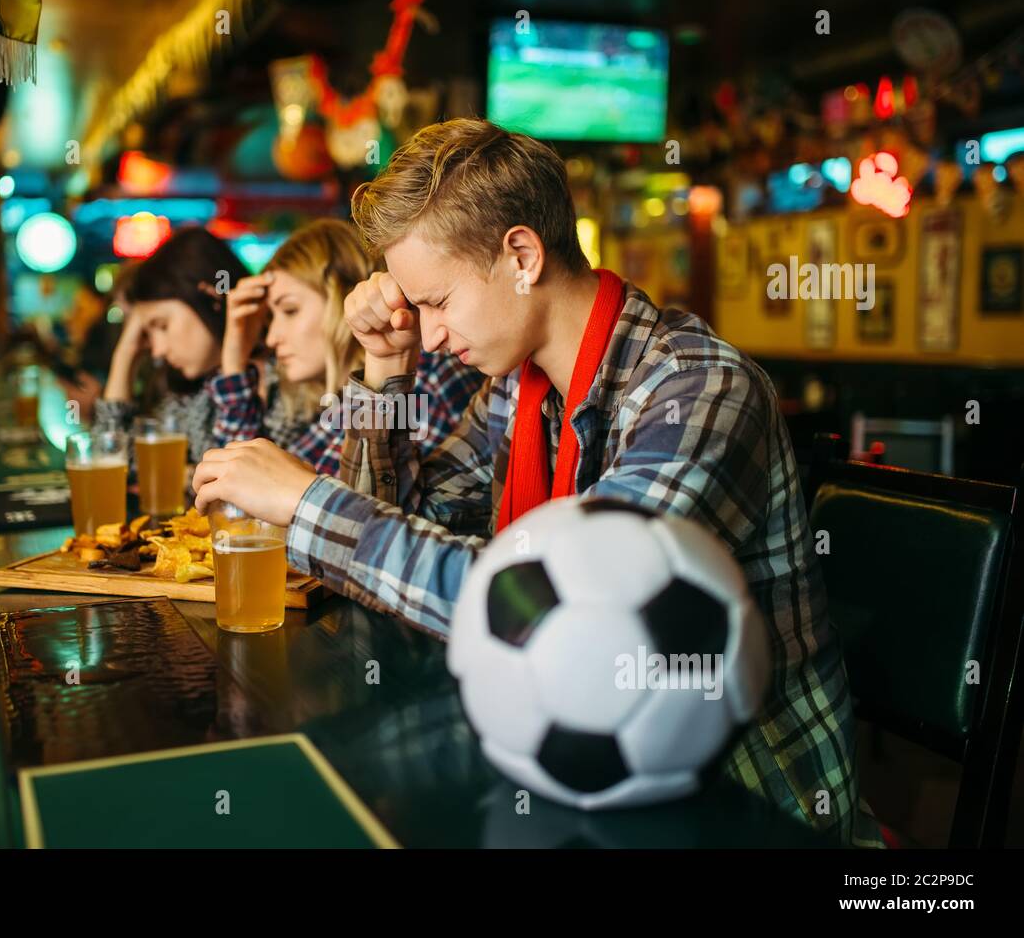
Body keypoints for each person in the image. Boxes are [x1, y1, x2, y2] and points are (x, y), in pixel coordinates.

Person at [190, 118, 884, 848]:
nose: (429, 336)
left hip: (744, 806)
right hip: (584, 772)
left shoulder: (697, 389)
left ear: (521, 254)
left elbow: (573, 632)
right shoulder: (517, 393)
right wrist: (385, 375)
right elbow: (394, 538)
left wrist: (306, 501)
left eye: (438, 302)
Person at [209, 218, 483, 473]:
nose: (271, 338)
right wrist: (234, 361)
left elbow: (329, 506)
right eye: (270, 319)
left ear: (344, 299)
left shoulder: (425, 375)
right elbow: (246, 489)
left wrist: (234, 366)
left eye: (290, 310)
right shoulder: (332, 399)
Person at [97, 227, 264, 461]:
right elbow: (116, 462)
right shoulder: (191, 389)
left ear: (211, 297)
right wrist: (124, 355)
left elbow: (233, 484)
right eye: (148, 333)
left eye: (162, 325)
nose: (157, 351)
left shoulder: (276, 380)